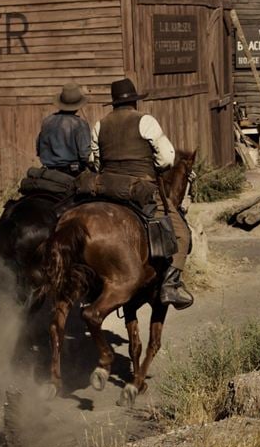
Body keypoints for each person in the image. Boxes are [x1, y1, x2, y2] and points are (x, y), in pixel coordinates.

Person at [90, 78, 193, 310]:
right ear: (134, 101)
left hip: (107, 188)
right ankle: (169, 286)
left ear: (114, 103)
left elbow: (94, 160)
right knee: (181, 233)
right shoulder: (145, 121)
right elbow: (167, 157)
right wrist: (154, 167)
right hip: (140, 189)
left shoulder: (100, 124)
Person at [36, 83, 92, 176]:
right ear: (78, 104)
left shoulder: (47, 121)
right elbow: (85, 155)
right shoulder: (79, 124)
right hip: (72, 173)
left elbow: (39, 149)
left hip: (47, 172)